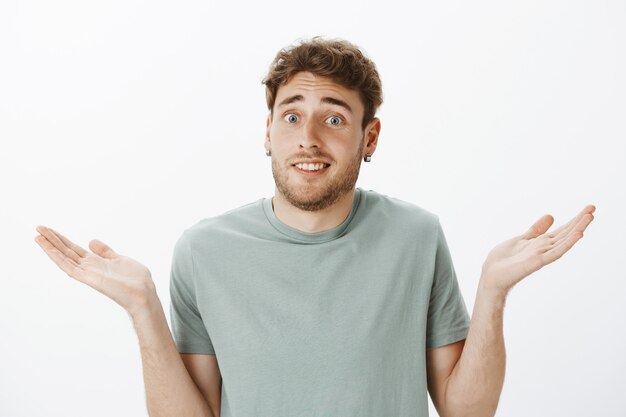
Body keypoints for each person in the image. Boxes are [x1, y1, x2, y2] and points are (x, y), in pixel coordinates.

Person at [34, 37, 596, 417]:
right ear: (268, 131)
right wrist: (143, 309)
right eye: (292, 115)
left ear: (368, 138)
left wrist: (494, 291)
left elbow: (463, 409)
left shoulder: (416, 236)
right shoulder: (204, 250)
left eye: (333, 117)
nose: (309, 138)